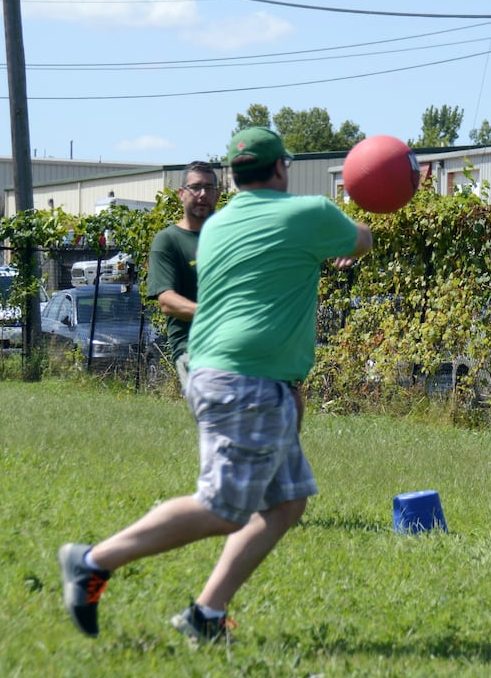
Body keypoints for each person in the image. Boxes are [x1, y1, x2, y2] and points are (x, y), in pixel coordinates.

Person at [59, 127, 374, 643]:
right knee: (223, 507)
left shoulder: (220, 225)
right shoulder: (308, 214)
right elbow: (361, 241)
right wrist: (361, 216)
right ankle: (92, 561)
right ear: (280, 169)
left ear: (234, 177)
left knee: (287, 502)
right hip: (244, 379)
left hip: (229, 373)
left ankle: (206, 614)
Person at [147, 160, 220, 378]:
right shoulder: (168, 240)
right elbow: (167, 302)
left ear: (217, 194)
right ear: (181, 193)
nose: (203, 194)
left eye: (209, 188)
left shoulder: (231, 236)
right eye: (196, 187)